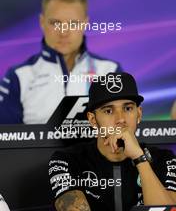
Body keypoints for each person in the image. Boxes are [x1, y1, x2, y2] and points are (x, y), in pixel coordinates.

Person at [48, 72, 176, 211]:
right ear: (92, 119)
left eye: (128, 108)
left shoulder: (164, 159)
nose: (120, 119)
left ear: (138, 114)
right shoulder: (66, 160)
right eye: (108, 111)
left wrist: (139, 158)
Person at [0, 0, 122, 124]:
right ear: (42, 22)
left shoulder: (110, 72)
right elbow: (5, 142)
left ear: (85, 23)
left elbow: (125, 134)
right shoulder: (18, 77)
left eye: (73, 24)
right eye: (55, 23)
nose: (63, 32)